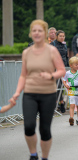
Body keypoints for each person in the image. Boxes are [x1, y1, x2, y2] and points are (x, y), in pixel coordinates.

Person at [10, 20, 66, 160]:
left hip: (48, 94)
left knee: (44, 130)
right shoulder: (27, 52)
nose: (37, 33)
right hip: (30, 93)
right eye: (34, 30)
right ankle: (33, 155)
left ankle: (45, 157)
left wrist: (51, 75)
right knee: (28, 126)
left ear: (45, 33)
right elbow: (23, 75)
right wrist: (17, 92)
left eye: (40, 31)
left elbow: (62, 70)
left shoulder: (52, 51)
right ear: (30, 33)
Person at [62, 57, 78, 126]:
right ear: (71, 65)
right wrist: (66, 84)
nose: (77, 66)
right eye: (76, 65)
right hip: (72, 89)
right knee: (72, 105)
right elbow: (64, 80)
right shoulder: (67, 73)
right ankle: (71, 118)